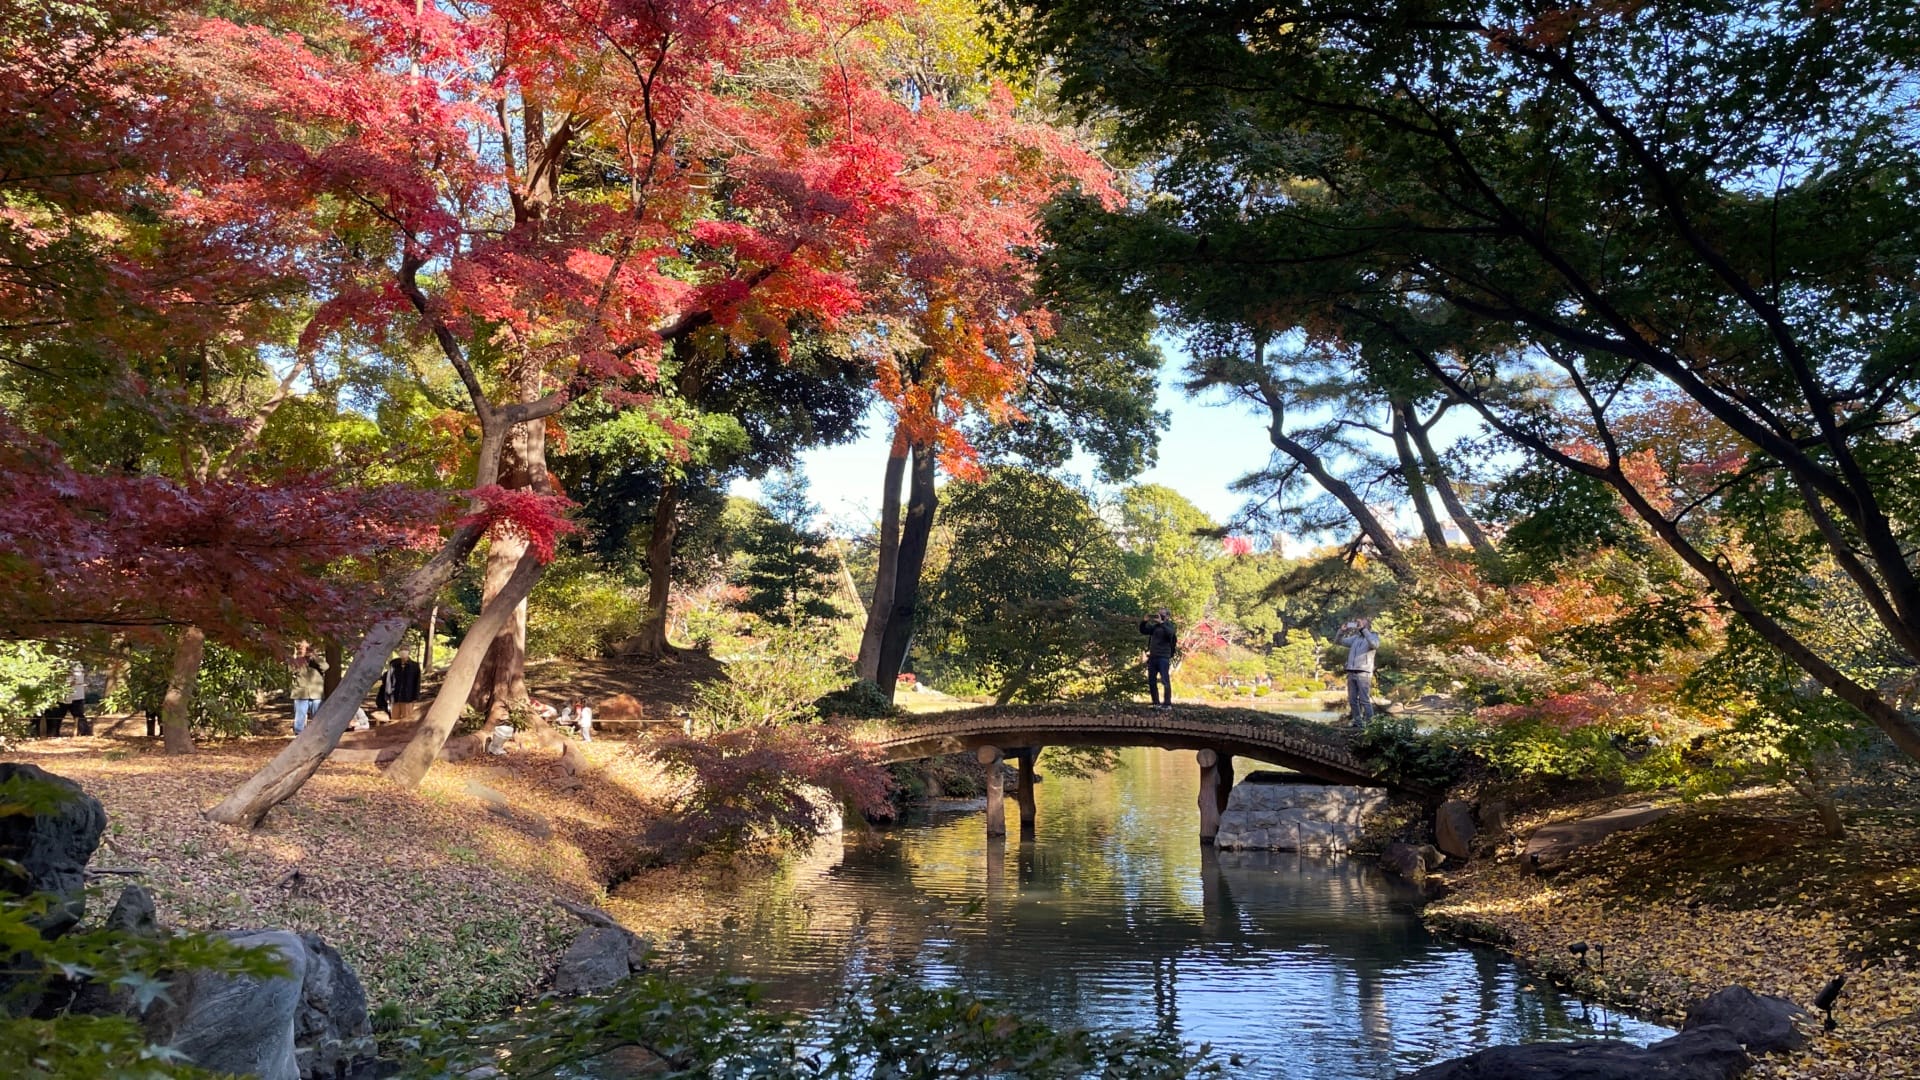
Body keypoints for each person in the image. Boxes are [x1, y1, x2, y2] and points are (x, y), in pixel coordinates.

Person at [1337, 617, 1381, 727]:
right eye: (1357, 623)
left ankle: (1371, 725)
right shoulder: (1355, 638)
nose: (1358, 624)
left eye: (1361, 623)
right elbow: (1338, 641)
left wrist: (1364, 630)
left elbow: (1374, 645)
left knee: (1364, 700)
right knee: (1352, 700)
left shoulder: (1373, 636)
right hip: (1351, 672)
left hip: (1364, 673)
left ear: (1367, 626)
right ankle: (1358, 723)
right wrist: (1341, 631)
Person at [1138, 607, 1178, 711]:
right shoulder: (1155, 627)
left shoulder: (1169, 626)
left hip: (1163, 657)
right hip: (1153, 657)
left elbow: (1170, 634)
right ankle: (1156, 702)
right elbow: (1144, 631)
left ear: (1167, 617)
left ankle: (1167, 703)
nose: (1159, 616)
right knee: (1152, 680)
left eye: (1162, 615)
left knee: (1165, 680)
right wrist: (1144, 622)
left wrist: (1162, 623)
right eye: (1158, 614)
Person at [289, 642, 328, 735]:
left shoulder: (317, 660)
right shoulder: (296, 660)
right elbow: (291, 670)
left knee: (317, 715)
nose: (305, 650)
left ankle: (317, 733)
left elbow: (326, 667)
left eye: (307, 648)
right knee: (300, 715)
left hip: (316, 693)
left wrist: (314, 657)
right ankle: (299, 733)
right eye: (302, 648)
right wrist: (298, 657)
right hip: (301, 693)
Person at [385, 649, 423, 723]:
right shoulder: (394, 664)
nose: (403, 652)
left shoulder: (414, 666)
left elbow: (417, 682)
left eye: (405, 650)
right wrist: (387, 695)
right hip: (395, 697)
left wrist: (416, 696)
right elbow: (389, 681)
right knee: (394, 719)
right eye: (401, 650)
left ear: (409, 652)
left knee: (407, 719)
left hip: (408, 697)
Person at [65, 662, 90, 736]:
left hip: (77, 696)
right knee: (55, 717)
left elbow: (78, 680)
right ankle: (52, 734)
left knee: (79, 716)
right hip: (62, 697)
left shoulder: (78, 665)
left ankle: (84, 733)